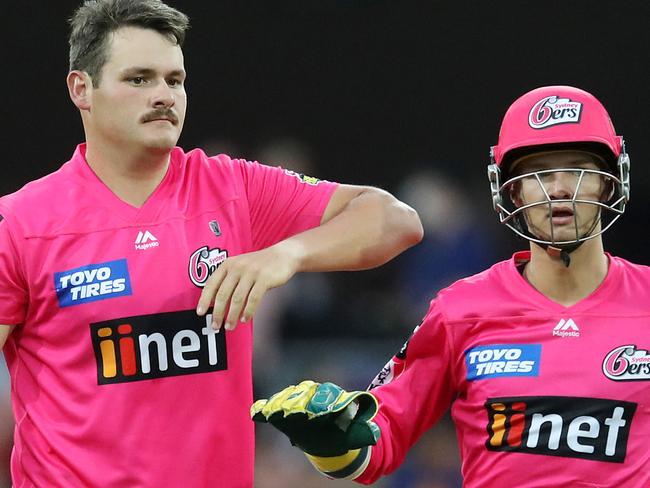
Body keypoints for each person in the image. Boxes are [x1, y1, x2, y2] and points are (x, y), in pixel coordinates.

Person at [0, 1, 423, 486]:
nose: (163, 96)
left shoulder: (231, 189)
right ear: (82, 89)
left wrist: (286, 254)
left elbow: (396, 220)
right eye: (139, 79)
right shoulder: (21, 223)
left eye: (174, 80)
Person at [252, 85, 650, 487]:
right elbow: (383, 433)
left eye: (579, 168)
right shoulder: (460, 310)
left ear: (610, 182)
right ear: (511, 190)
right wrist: (336, 441)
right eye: (540, 174)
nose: (560, 188)